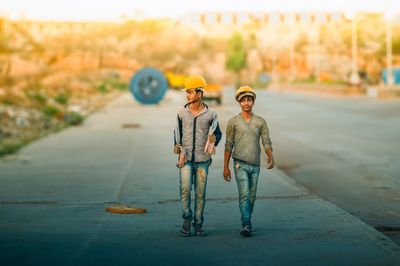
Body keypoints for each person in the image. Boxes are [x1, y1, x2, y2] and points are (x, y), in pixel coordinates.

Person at [174, 75, 222, 236]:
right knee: (185, 190)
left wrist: (214, 140)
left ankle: (198, 224)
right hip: (186, 160)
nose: (187, 95)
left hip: (203, 161)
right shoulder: (181, 112)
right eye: (186, 92)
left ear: (199, 93)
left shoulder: (211, 114)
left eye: (190, 92)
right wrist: (178, 150)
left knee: (200, 194)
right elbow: (176, 133)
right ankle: (187, 218)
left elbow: (218, 133)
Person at [223, 86, 274, 237]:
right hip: (240, 164)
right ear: (239, 102)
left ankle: (247, 218)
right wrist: (226, 167)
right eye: (243, 100)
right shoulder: (233, 122)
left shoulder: (260, 122)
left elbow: (266, 141)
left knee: (252, 196)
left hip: (255, 165)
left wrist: (270, 156)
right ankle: (246, 224)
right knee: (244, 195)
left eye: (249, 100)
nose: (246, 103)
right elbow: (228, 145)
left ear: (253, 101)